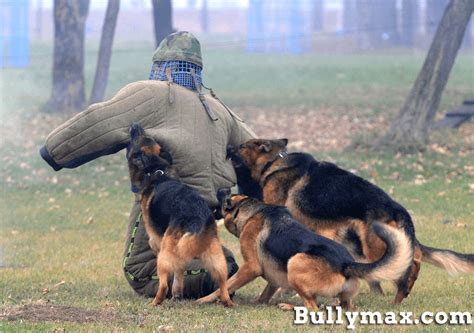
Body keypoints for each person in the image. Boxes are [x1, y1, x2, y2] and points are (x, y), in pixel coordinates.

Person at [40, 31, 256, 298]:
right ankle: (218, 263)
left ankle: (211, 277)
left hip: (166, 199)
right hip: (210, 207)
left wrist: (54, 150)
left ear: (162, 65)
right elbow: (257, 152)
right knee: (193, 243)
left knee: (141, 270)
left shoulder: (150, 93)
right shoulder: (217, 106)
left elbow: (99, 121)